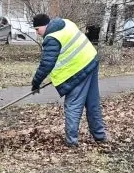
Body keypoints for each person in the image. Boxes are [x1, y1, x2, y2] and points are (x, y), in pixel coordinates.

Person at [30, 13, 108, 147]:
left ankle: (71, 142)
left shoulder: (52, 38)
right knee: (92, 103)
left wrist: (35, 83)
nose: (37, 33)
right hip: (91, 61)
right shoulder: (66, 23)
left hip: (78, 70)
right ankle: (100, 136)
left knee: (73, 105)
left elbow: (46, 64)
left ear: (45, 25)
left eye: (37, 29)